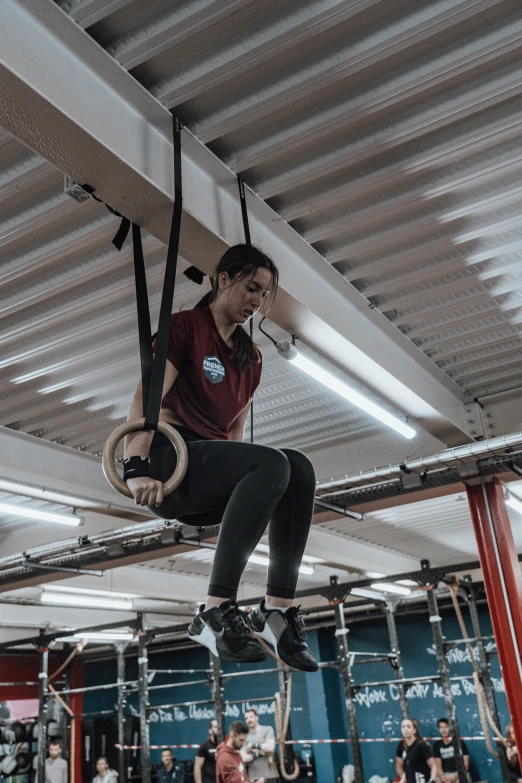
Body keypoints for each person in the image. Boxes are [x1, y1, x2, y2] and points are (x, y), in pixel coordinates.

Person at [124, 244, 318, 672]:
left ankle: (276, 612)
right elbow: (145, 400)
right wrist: (134, 467)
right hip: (168, 462)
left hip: (208, 471)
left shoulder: (251, 358)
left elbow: (235, 436)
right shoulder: (184, 328)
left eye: (264, 295)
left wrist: (249, 482)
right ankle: (214, 612)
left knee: (296, 466)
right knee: (272, 462)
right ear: (223, 279)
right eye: (251, 288)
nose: (257, 301)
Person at [241, 708, 279, 782]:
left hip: (269, 774)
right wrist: (258, 754)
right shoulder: (245, 735)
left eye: (251, 717)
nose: (249, 720)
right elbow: (244, 758)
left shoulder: (267, 729)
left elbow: (270, 748)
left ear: (257, 717)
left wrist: (252, 745)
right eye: (246, 718)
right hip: (253, 776)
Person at [396, 719, 437, 783]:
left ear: (414, 730)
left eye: (408, 727)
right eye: (403, 727)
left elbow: (433, 765)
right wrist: (402, 780)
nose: (405, 729)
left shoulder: (421, 745)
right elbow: (408, 769)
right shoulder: (402, 745)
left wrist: (432, 780)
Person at [432, 718, 469, 782]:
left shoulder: (459, 743)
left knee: (460, 780)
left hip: (459, 773)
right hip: (445, 775)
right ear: (439, 729)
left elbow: (466, 766)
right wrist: (443, 777)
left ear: (450, 728)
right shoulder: (437, 745)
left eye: (446, 727)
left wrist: (454, 776)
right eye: (441, 728)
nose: (443, 730)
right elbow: (438, 766)